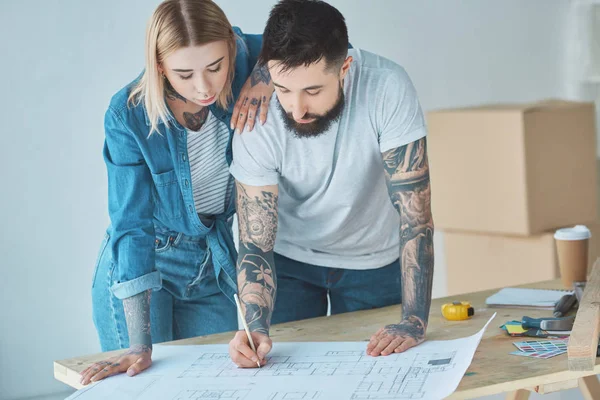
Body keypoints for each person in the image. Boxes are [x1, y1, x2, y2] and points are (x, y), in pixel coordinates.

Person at [228, 0, 434, 368]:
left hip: (373, 261)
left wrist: (414, 321)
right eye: (283, 89)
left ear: (345, 68)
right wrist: (254, 326)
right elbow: (255, 241)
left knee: (381, 375)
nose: (296, 109)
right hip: (288, 262)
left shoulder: (387, 87)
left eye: (312, 91)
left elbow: (415, 218)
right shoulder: (256, 115)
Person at [80, 0, 273, 385]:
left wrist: (267, 72)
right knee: (148, 384)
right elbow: (131, 226)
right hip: (147, 261)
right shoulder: (127, 114)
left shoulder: (250, 57)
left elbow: (326, 41)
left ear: (231, 48)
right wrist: (138, 345)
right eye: (184, 74)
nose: (204, 87)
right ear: (160, 65)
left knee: (227, 383)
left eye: (215, 67)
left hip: (214, 261)